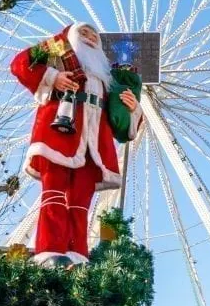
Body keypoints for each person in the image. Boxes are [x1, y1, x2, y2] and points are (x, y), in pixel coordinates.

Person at [10, 23, 142, 267]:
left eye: (94, 35)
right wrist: (53, 77)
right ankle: (49, 250)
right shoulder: (57, 49)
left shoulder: (107, 75)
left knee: (81, 202)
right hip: (58, 135)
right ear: (71, 35)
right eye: (84, 33)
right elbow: (20, 64)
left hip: (93, 146)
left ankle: (77, 254)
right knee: (54, 194)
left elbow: (119, 117)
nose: (91, 37)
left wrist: (134, 108)